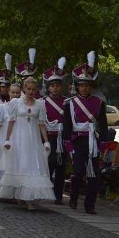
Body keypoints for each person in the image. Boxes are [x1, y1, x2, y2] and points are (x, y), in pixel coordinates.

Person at [0, 77, 55, 209]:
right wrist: (7, 139)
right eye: (28, 89)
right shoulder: (16, 103)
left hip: (33, 139)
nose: (31, 91)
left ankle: (29, 198)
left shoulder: (40, 104)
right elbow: (11, 121)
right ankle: (20, 195)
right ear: (24, 88)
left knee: (32, 165)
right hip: (19, 137)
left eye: (33, 89)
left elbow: (41, 123)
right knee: (20, 164)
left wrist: (46, 141)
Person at [63, 52, 109, 214]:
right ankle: (74, 198)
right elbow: (67, 124)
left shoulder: (99, 103)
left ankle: (90, 204)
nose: (84, 88)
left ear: (92, 87)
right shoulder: (70, 103)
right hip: (78, 140)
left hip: (93, 142)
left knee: (93, 176)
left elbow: (102, 123)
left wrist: (103, 142)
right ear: (78, 86)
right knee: (78, 172)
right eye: (82, 85)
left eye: (88, 85)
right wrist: (67, 141)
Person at [42, 58, 69, 204]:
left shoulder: (67, 102)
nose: (55, 88)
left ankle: (58, 195)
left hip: (62, 138)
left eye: (57, 85)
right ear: (48, 87)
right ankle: (46, 191)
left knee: (61, 167)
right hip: (48, 138)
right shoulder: (43, 102)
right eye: (52, 86)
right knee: (49, 164)